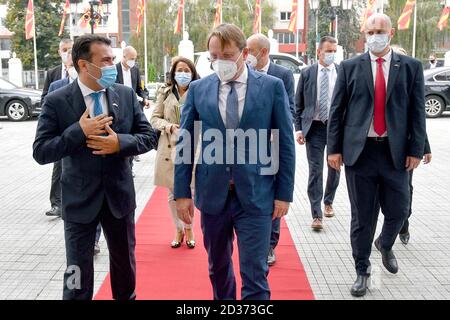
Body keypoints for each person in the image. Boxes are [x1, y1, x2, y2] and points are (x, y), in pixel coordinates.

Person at [174, 24, 295, 300]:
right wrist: (181, 193)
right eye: (214, 56)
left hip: (256, 195)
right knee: (218, 268)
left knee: (255, 273)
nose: (220, 62)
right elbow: (186, 143)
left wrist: (284, 194)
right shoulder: (198, 89)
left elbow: (285, 143)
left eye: (227, 55)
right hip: (213, 195)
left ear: (245, 52)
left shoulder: (271, 88)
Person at [33, 35, 158, 300]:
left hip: (119, 199)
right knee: (77, 274)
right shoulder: (57, 100)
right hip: (79, 203)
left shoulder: (124, 95)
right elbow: (41, 151)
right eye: (106, 60)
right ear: (84, 65)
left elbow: (149, 137)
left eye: (113, 59)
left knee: (124, 270)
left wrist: (119, 143)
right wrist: (78, 130)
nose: (113, 65)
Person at [327, 14, 426, 297]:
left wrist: (416, 150)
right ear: (364, 33)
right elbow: (337, 112)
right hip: (361, 154)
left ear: (391, 33)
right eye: (370, 31)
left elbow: (417, 113)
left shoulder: (410, 67)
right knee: (362, 217)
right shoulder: (349, 67)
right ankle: (362, 270)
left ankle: (385, 242)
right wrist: (333, 149)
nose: (374, 36)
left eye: (380, 31)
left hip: (396, 154)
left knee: (399, 210)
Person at [373, 46, 433, 246]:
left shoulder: (410, 80)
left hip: (405, 150)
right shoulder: (381, 83)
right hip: (381, 148)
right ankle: (390, 230)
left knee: (405, 190)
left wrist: (424, 147)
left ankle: (403, 222)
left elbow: (418, 119)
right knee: (386, 192)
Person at [246, 33, 295, 267]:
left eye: (250, 50)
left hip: (272, 147)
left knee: (272, 195)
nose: (247, 55)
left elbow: (289, 110)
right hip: (247, 147)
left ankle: (269, 245)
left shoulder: (282, 76)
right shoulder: (243, 74)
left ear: (263, 52)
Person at [150, 56, 200, 249]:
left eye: (187, 70)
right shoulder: (165, 92)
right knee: (172, 192)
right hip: (169, 146)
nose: (183, 74)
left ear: (193, 73)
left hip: (192, 145)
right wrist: (170, 126)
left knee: (190, 190)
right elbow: (155, 118)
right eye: (180, 70)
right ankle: (178, 228)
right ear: (173, 72)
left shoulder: (199, 91)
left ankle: (189, 228)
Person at [294, 36, 341, 232]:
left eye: (334, 51)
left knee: (334, 167)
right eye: (328, 51)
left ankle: (328, 201)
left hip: (336, 127)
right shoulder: (307, 73)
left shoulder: (342, 72)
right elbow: (298, 103)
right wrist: (298, 128)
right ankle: (316, 214)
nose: (331, 54)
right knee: (315, 171)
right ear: (318, 52)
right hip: (314, 128)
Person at [42, 38, 73, 218]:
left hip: (79, 129)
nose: (67, 52)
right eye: (64, 49)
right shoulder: (53, 73)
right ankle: (56, 203)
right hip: (59, 131)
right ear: (59, 51)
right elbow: (46, 98)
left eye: (70, 49)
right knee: (58, 168)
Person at [115, 46, 149, 167]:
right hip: (119, 108)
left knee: (134, 132)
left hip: (133, 107)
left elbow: (141, 88)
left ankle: (131, 162)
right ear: (123, 57)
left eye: (134, 59)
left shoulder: (135, 70)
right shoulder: (114, 70)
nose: (133, 61)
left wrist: (145, 98)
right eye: (131, 58)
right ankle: (127, 163)